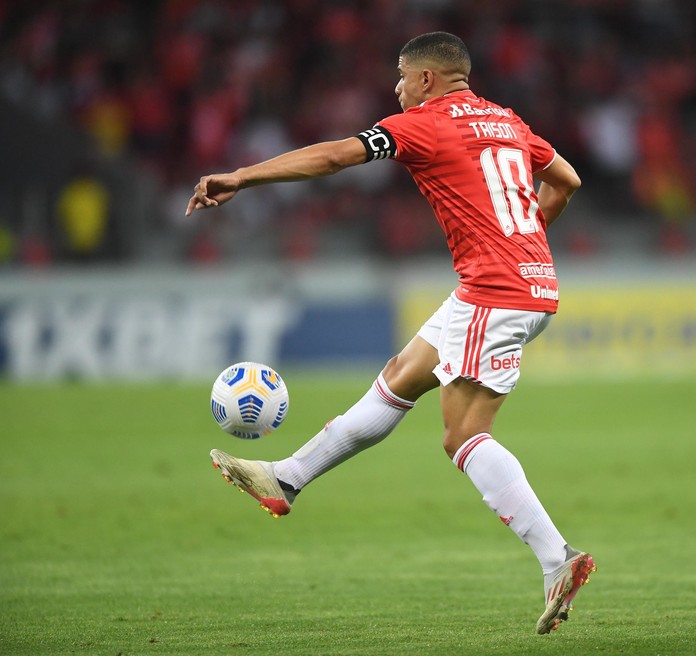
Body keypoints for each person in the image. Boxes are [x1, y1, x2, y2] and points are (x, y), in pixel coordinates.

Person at [186, 31, 593, 635]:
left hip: (495, 292)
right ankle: (286, 478)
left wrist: (242, 177)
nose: (396, 88)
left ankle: (556, 559)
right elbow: (567, 181)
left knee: (463, 438)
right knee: (399, 378)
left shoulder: (423, 124)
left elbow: (333, 158)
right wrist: (522, 241)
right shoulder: (508, 121)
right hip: (515, 283)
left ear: (427, 79)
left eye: (401, 76)